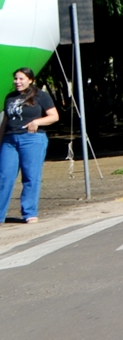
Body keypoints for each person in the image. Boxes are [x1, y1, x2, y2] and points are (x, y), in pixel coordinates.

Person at [1, 68, 59, 225]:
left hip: (32, 139)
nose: (17, 82)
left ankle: (29, 212)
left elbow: (54, 116)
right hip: (10, 139)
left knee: (31, 176)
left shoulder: (41, 96)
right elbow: (5, 121)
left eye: (21, 79)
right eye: (16, 79)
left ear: (31, 80)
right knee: (4, 176)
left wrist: (37, 122)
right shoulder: (10, 97)